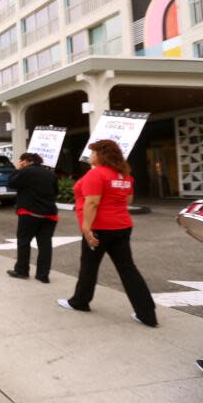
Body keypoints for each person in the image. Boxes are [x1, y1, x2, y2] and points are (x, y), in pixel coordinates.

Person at [57, 139, 157, 327]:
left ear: (100, 155)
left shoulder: (96, 174)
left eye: (93, 152)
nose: (90, 155)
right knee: (128, 269)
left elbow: (92, 202)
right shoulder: (124, 175)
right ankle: (147, 313)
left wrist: (86, 228)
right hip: (122, 226)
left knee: (89, 266)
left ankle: (80, 301)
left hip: (99, 228)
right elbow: (128, 200)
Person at [6, 152, 58, 283]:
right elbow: (56, 192)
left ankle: (22, 270)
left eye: (20, 160)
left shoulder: (26, 172)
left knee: (24, 242)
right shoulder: (50, 173)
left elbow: (11, 183)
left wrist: (17, 169)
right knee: (45, 245)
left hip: (29, 213)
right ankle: (43, 275)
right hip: (49, 215)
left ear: (25, 161)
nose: (19, 163)